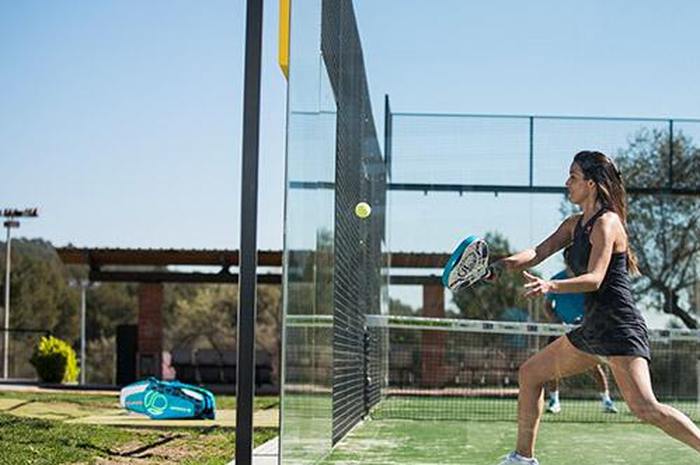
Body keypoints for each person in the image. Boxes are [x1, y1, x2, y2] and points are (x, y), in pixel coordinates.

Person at [489, 151, 700, 465]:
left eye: (573, 176)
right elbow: (538, 251)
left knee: (645, 408)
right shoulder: (574, 225)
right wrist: (501, 265)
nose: (567, 182)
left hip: (619, 329)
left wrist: (551, 286)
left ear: (591, 183)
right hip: (592, 330)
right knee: (531, 374)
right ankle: (522, 459)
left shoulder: (608, 223)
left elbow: (595, 278)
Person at [543, 246, 618, 415]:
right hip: (559, 330)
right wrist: (556, 320)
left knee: (594, 366)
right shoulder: (556, 280)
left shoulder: (587, 281)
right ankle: (554, 401)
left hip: (584, 329)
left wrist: (586, 321)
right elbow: (547, 305)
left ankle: (606, 401)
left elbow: (595, 305)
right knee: (552, 365)